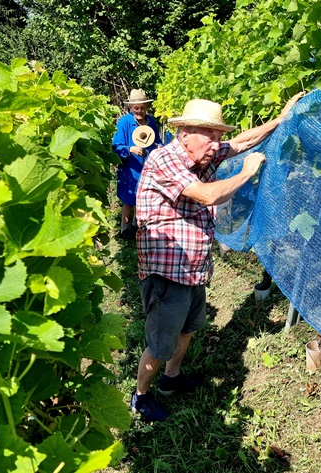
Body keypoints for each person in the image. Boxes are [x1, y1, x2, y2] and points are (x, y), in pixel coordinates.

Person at [130, 92, 305, 422]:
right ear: (185, 134)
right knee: (159, 343)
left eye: (217, 136)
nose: (216, 143)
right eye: (209, 135)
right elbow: (208, 194)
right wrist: (245, 174)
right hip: (166, 271)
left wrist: (281, 119)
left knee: (188, 329)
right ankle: (140, 397)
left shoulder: (203, 154)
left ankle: (172, 379)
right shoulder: (164, 160)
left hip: (193, 267)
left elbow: (241, 142)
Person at [112, 89, 164, 241]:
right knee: (129, 198)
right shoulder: (124, 122)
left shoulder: (151, 121)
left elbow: (157, 141)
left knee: (143, 196)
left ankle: (137, 225)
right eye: (136, 108)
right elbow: (116, 145)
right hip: (130, 167)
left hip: (147, 166)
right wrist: (131, 149)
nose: (139, 111)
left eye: (142, 108)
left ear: (146, 107)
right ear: (131, 108)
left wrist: (158, 146)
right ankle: (124, 228)